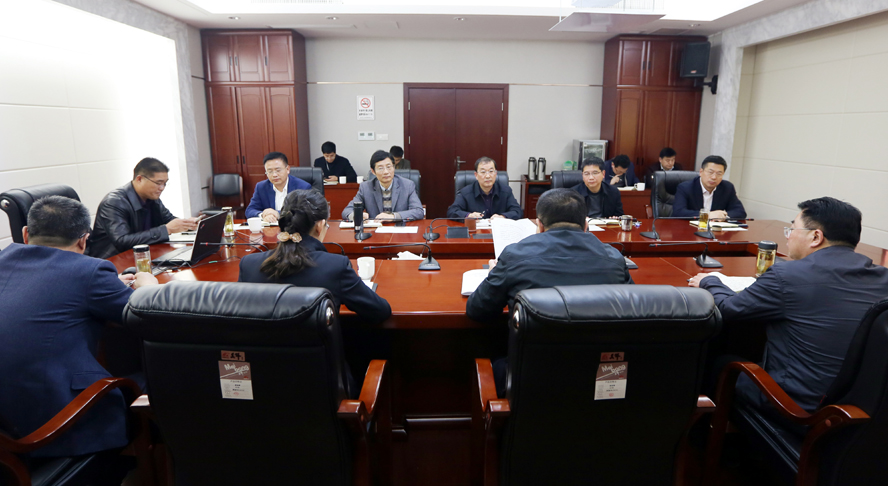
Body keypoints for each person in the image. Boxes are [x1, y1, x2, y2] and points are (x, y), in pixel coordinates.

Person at [689, 197, 888, 413]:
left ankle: (705, 430)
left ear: (815, 237)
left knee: (719, 363)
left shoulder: (787, 275)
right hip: (863, 412)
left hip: (797, 409)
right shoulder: (882, 278)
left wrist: (710, 281)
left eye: (792, 229)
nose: (788, 236)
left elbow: (729, 308)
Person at [0, 196, 158, 463]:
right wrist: (148, 287)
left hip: (6, 426)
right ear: (84, 240)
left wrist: (105, 285)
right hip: (52, 426)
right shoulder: (90, 271)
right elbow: (149, 316)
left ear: (26, 234)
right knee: (153, 379)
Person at [466, 188, 633, 394]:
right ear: (586, 225)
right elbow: (633, 314)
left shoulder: (514, 255)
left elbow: (477, 310)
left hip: (532, 385)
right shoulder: (614, 259)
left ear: (540, 226)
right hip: (601, 382)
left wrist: (495, 274)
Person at [239, 190, 392, 397]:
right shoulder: (334, 266)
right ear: (320, 225)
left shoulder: (249, 265)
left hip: (261, 389)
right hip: (322, 392)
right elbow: (380, 312)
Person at [87, 157, 198, 259]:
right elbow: (122, 241)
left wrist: (188, 224)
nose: (162, 188)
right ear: (139, 179)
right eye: (158, 183)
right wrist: (166, 229)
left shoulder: (152, 198)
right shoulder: (114, 202)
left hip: (142, 256)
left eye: (165, 183)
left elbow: (169, 220)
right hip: (113, 261)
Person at [343, 150, 424, 221]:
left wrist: (393, 217)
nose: (386, 172)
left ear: (394, 168)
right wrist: (357, 215)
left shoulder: (407, 185)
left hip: (400, 229)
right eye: (380, 168)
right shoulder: (366, 188)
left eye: (389, 167)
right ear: (373, 171)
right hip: (375, 231)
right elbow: (347, 211)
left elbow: (418, 211)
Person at [671, 155, 747, 220]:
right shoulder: (685, 187)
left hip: (715, 230)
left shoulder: (727, 188)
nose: (714, 177)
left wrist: (722, 216)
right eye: (710, 172)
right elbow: (678, 212)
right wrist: (707, 215)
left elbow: (740, 212)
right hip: (689, 229)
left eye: (719, 174)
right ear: (701, 172)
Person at [446, 156, 521, 220]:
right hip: (475, 230)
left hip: (498, 230)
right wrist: (469, 215)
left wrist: (503, 217)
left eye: (491, 171)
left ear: (495, 174)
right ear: (476, 175)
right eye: (483, 172)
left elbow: (518, 211)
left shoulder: (506, 191)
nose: (487, 176)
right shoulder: (466, 192)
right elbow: (452, 211)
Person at [245, 151, 311, 222]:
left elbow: (305, 212)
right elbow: (250, 210)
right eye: (270, 171)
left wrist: (278, 214)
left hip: (294, 227)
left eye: (278, 170)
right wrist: (263, 215)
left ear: (287, 169)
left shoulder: (302, 187)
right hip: (270, 228)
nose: (274, 175)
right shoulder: (261, 187)